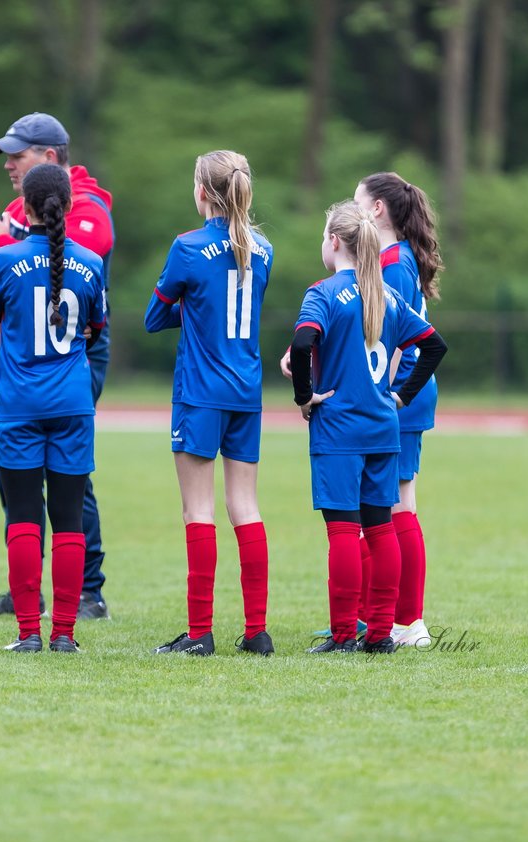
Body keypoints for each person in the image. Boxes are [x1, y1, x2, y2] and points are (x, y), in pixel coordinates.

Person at [0, 112, 115, 620]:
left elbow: (63, 268)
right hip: (40, 359)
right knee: (20, 480)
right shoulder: (18, 209)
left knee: (69, 482)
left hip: (69, 361)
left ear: (50, 157)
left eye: (18, 154)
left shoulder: (90, 208)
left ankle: (89, 591)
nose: (9, 163)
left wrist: (2, 248)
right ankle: (28, 587)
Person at [284, 200, 446, 654]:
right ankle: (379, 634)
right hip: (382, 428)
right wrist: (400, 395)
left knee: (342, 532)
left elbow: (301, 343)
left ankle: (342, 637)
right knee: (379, 530)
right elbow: (434, 346)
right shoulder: (387, 295)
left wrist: (304, 396)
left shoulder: (323, 292)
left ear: (334, 242)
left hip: (339, 431)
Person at [145, 151, 274, 657]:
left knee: (197, 509)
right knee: (246, 505)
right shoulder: (263, 249)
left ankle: (199, 633)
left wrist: (194, 313)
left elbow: (156, 317)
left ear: (202, 192)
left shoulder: (186, 246)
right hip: (247, 391)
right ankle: (256, 630)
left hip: (200, 393)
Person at [354, 172, 444, 648]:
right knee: (390, 504)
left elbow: (391, 341)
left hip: (400, 394)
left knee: (394, 506)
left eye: (356, 203)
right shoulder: (395, 257)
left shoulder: (391, 263)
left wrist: (380, 394)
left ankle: (407, 622)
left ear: (376, 211)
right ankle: (381, 616)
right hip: (404, 392)